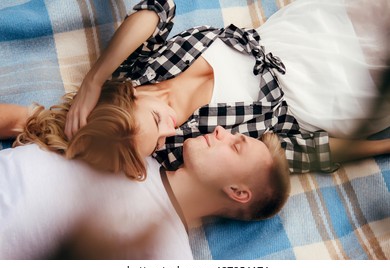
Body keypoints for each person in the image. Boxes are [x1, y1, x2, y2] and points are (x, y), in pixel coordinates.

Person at [1, 0, 390, 180]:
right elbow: (300, 154)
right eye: (157, 142)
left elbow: (158, 8)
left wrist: (95, 78)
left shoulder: (135, 70)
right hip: (331, 93)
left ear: (130, 95)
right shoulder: (181, 151)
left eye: (157, 121)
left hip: (301, 32)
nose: (169, 131)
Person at [0, 125, 290, 259]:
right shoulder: (140, 145)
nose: (220, 130)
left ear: (238, 191)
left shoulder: (169, 257)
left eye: (235, 145)